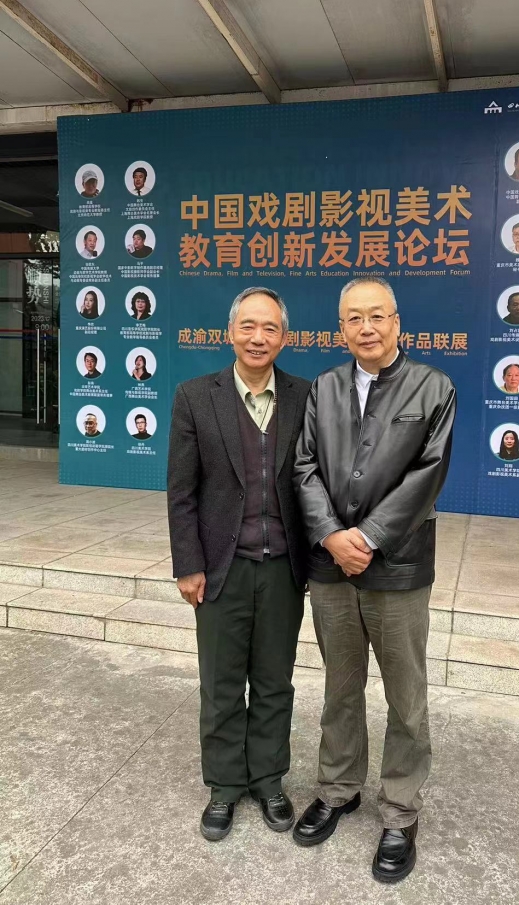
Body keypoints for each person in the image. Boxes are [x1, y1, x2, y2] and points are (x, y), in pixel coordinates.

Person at [293, 275, 456, 884]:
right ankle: (338, 789)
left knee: (405, 695)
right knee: (340, 686)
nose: (367, 327)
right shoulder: (324, 388)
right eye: (354, 318)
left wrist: (367, 538)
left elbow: (427, 474)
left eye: (377, 316)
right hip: (331, 566)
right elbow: (304, 467)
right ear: (341, 329)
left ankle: (401, 809)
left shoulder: (433, 387)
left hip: (399, 564)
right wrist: (332, 535)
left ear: (396, 322)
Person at [167, 287, 311, 844]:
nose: (258, 337)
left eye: (270, 328)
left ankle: (269, 780)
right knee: (221, 684)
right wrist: (188, 564)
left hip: (283, 568)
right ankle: (225, 785)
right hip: (220, 569)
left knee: (275, 681)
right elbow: (182, 491)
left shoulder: (304, 396)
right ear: (230, 332)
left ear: (284, 337)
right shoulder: (195, 397)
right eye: (248, 326)